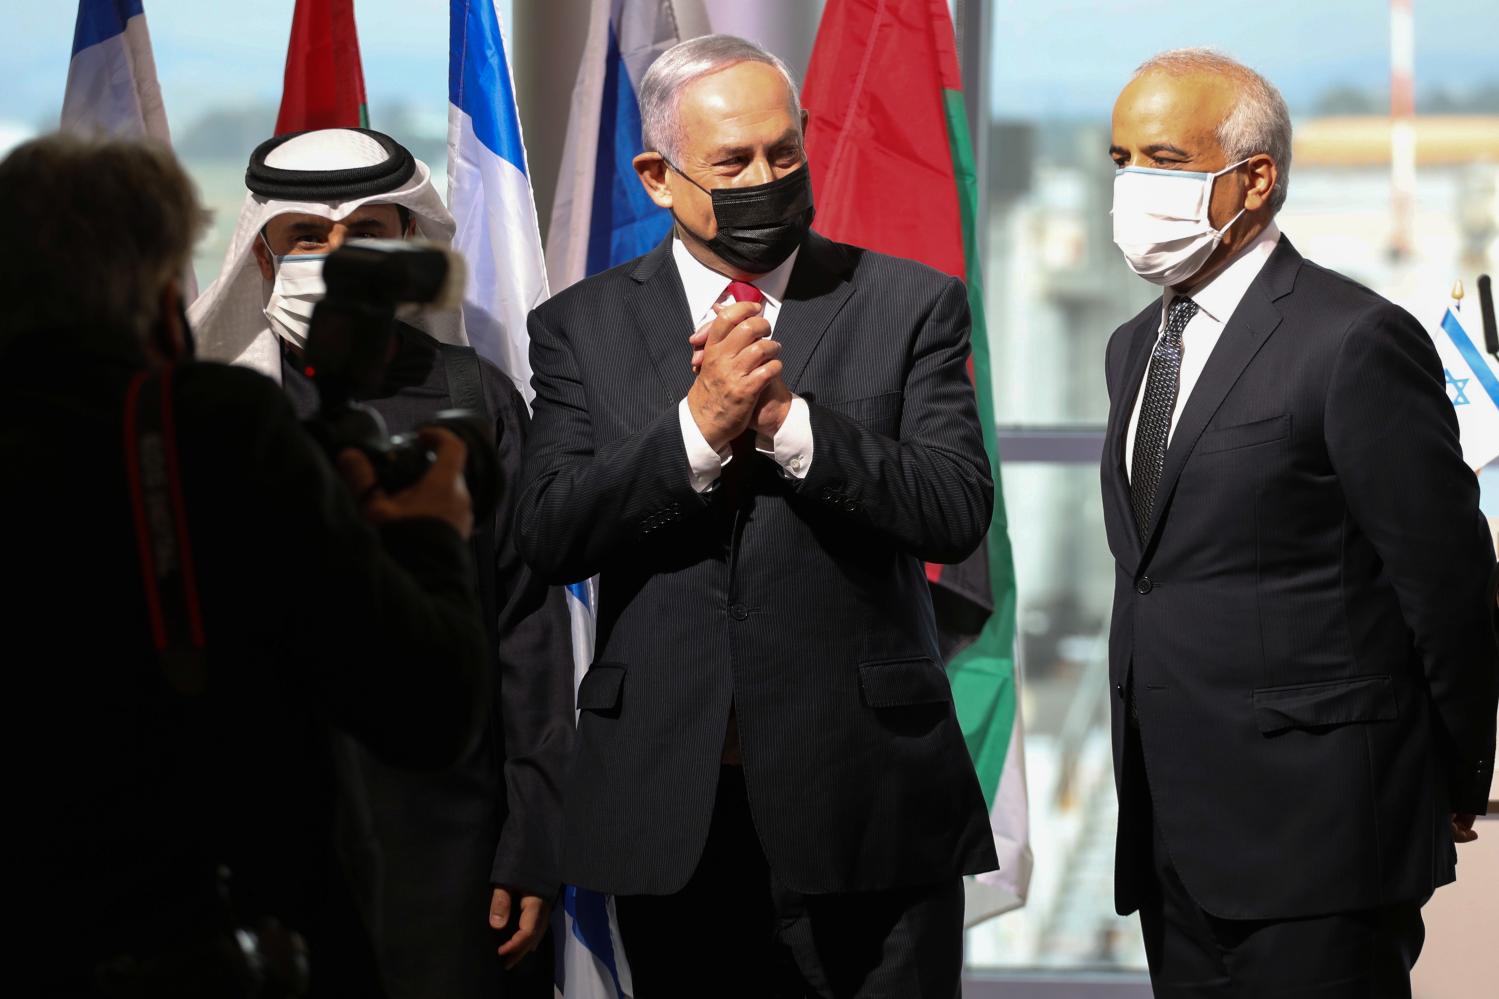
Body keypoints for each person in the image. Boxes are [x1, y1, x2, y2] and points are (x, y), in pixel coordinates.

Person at [517, 34, 997, 997]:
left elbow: (953, 510)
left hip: (870, 801)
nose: (766, 179)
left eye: (783, 153)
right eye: (732, 163)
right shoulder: (578, 325)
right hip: (672, 805)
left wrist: (786, 423)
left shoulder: (908, 303)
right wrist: (697, 430)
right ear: (657, 176)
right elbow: (550, 530)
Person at [5, 135, 489, 995]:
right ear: (161, 292)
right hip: (204, 918)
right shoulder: (212, 425)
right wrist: (429, 535)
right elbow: (420, 705)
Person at [1099, 48, 1499, 996]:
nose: (1130, 187)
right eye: (1119, 161)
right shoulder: (1130, 348)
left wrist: (1447, 779)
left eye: (1161, 157)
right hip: (1170, 829)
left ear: (1254, 178)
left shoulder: (1352, 338)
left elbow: (1443, 578)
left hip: (1321, 835)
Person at [189, 127, 572, 997]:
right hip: (263, 831)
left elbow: (529, 636)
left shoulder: (478, 399)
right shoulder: (217, 413)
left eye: (366, 230)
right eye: (307, 239)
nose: (337, 256)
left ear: (409, 244)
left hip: (449, 839)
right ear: (260, 255)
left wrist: (532, 839)